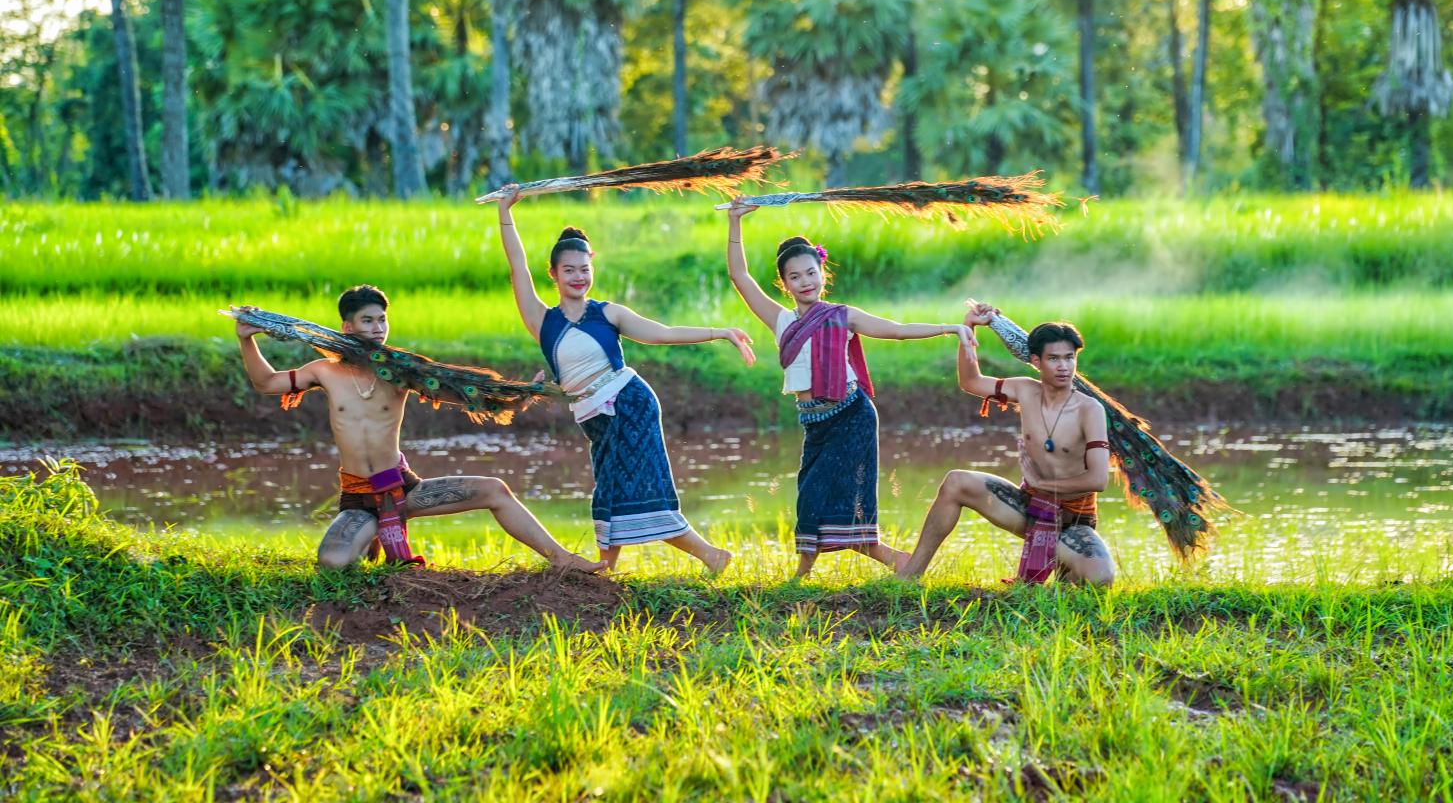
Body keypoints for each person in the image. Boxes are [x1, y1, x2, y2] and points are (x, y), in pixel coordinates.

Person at [234, 284, 605, 573]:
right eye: (368, 321)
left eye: (382, 320)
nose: (378, 328)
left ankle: (561, 558)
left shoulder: (400, 370)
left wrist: (514, 397)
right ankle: (373, 538)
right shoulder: (323, 371)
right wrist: (246, 338)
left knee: (495, 489)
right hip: (358, 497)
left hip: (402, 489)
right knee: (333, 563)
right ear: (347, 327)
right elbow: (267, 383)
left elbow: (459, 391)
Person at [496, 192, 752, 573]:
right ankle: (628, 566)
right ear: (553, 274)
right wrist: (505, 213)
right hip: (594, 417)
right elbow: (517, 266)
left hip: (629, 404)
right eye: (569, 270)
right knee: (610, 492)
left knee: (635, 490)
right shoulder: (541, 319)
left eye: (584, 268)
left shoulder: (608, 313)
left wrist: (720, 332)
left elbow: (662, 333)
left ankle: (646, 564)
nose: (578, 276)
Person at [725, 198, 977, 577]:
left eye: (811, 273)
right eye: (795, 277)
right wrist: (734, 222)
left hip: (851, 416)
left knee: (835, 497)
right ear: (785, 283)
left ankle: (810, 573)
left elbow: (897, 331)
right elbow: (740, 277)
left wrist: (952, 328)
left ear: (822, 272)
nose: (805, 282)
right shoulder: (779, 320)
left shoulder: (843, 316)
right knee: (811, 494)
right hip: (815, 422)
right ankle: (899, 564)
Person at [898, 303, 1114, 585]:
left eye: (1069, 358)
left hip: (1071, 521)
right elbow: (970, 382)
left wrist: (1043, 483)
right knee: (956, 482)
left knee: (1101, 578)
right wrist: (969, 328)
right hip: (1027, 506)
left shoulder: (1090, 409)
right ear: (1036, 362)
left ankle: (1061, 575)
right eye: (1054, 359)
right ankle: (909, 575)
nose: (1063, 367)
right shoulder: (1024, 389)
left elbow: (1098, 479)